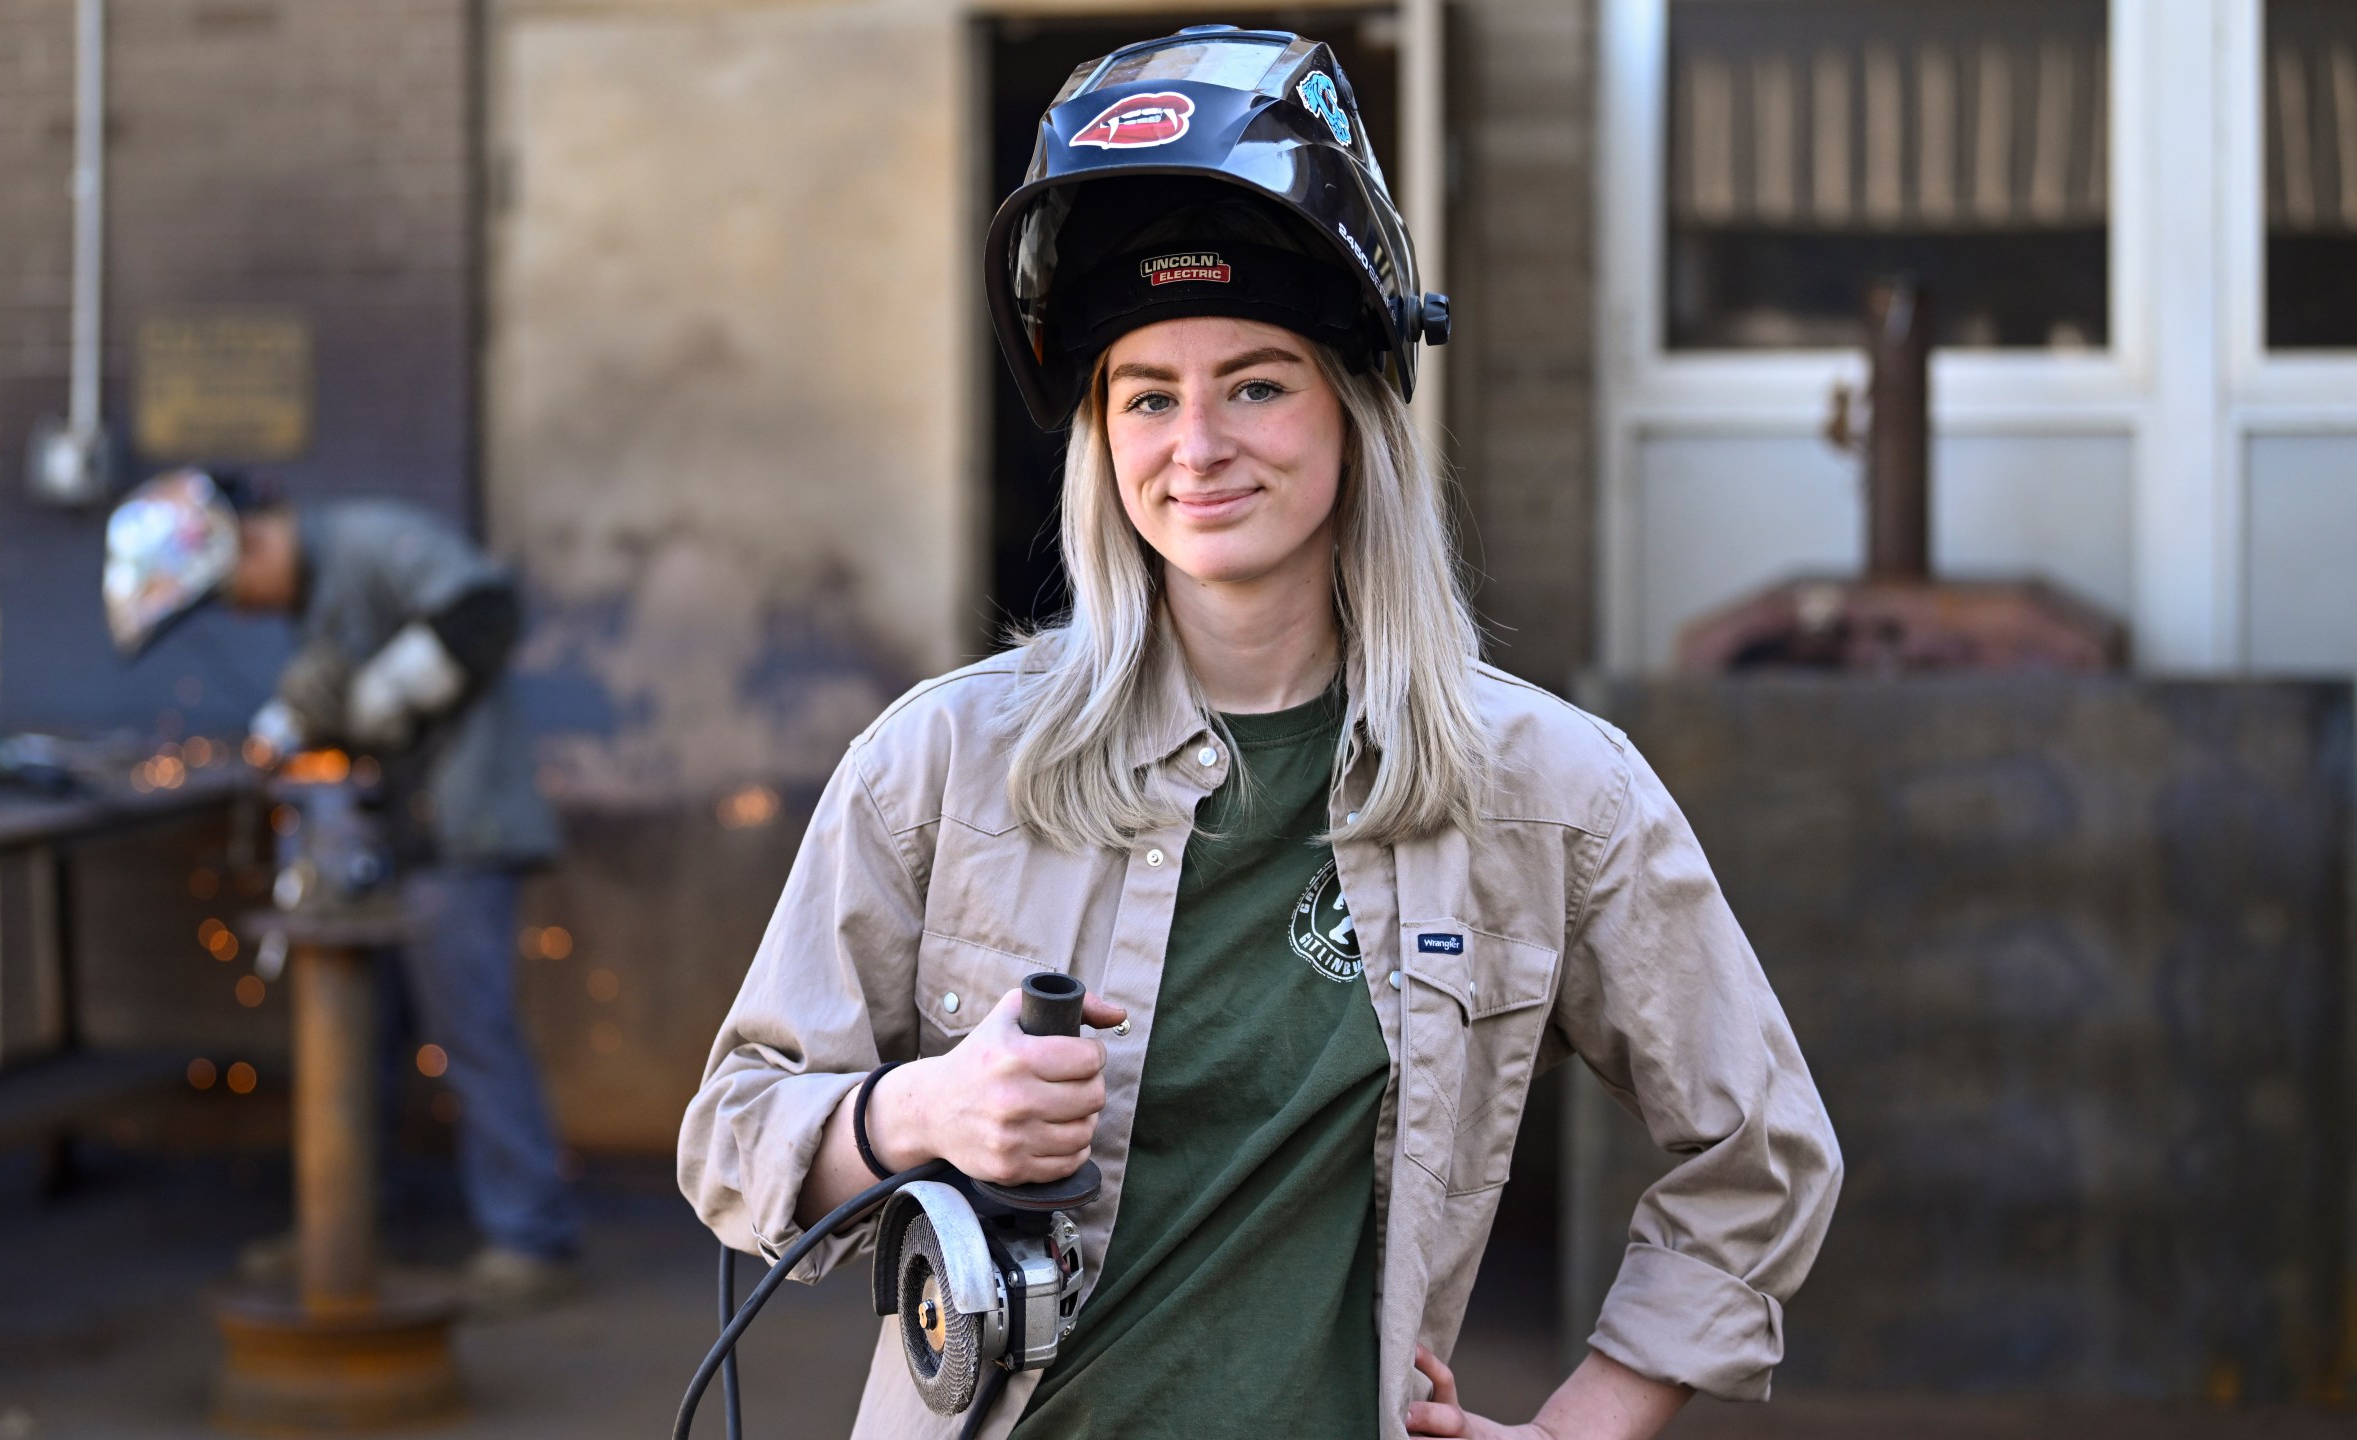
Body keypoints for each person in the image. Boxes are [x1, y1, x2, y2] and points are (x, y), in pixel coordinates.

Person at [680, 26, 1840, 1440]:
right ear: (1100, 439)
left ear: (1352, 408)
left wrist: (1587, 1422)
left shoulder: (1545, 790)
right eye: (1146, 397)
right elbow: (734, 1135)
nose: (1198, 445)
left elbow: (1761, 1151)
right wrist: (921, 1112)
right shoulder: (944, 764)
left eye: (1257, 382)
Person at [104, 472, 582, 1313]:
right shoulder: (318, 596)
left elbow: (487, 612)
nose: (238, 612)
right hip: (390, 841)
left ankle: (531, 1240)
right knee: (357, 1033)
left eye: (227, 592)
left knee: (472, 1035)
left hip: (462, 837)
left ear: (250, 542)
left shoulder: (371, 539)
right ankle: (344, 1227)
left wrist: (378, 695)